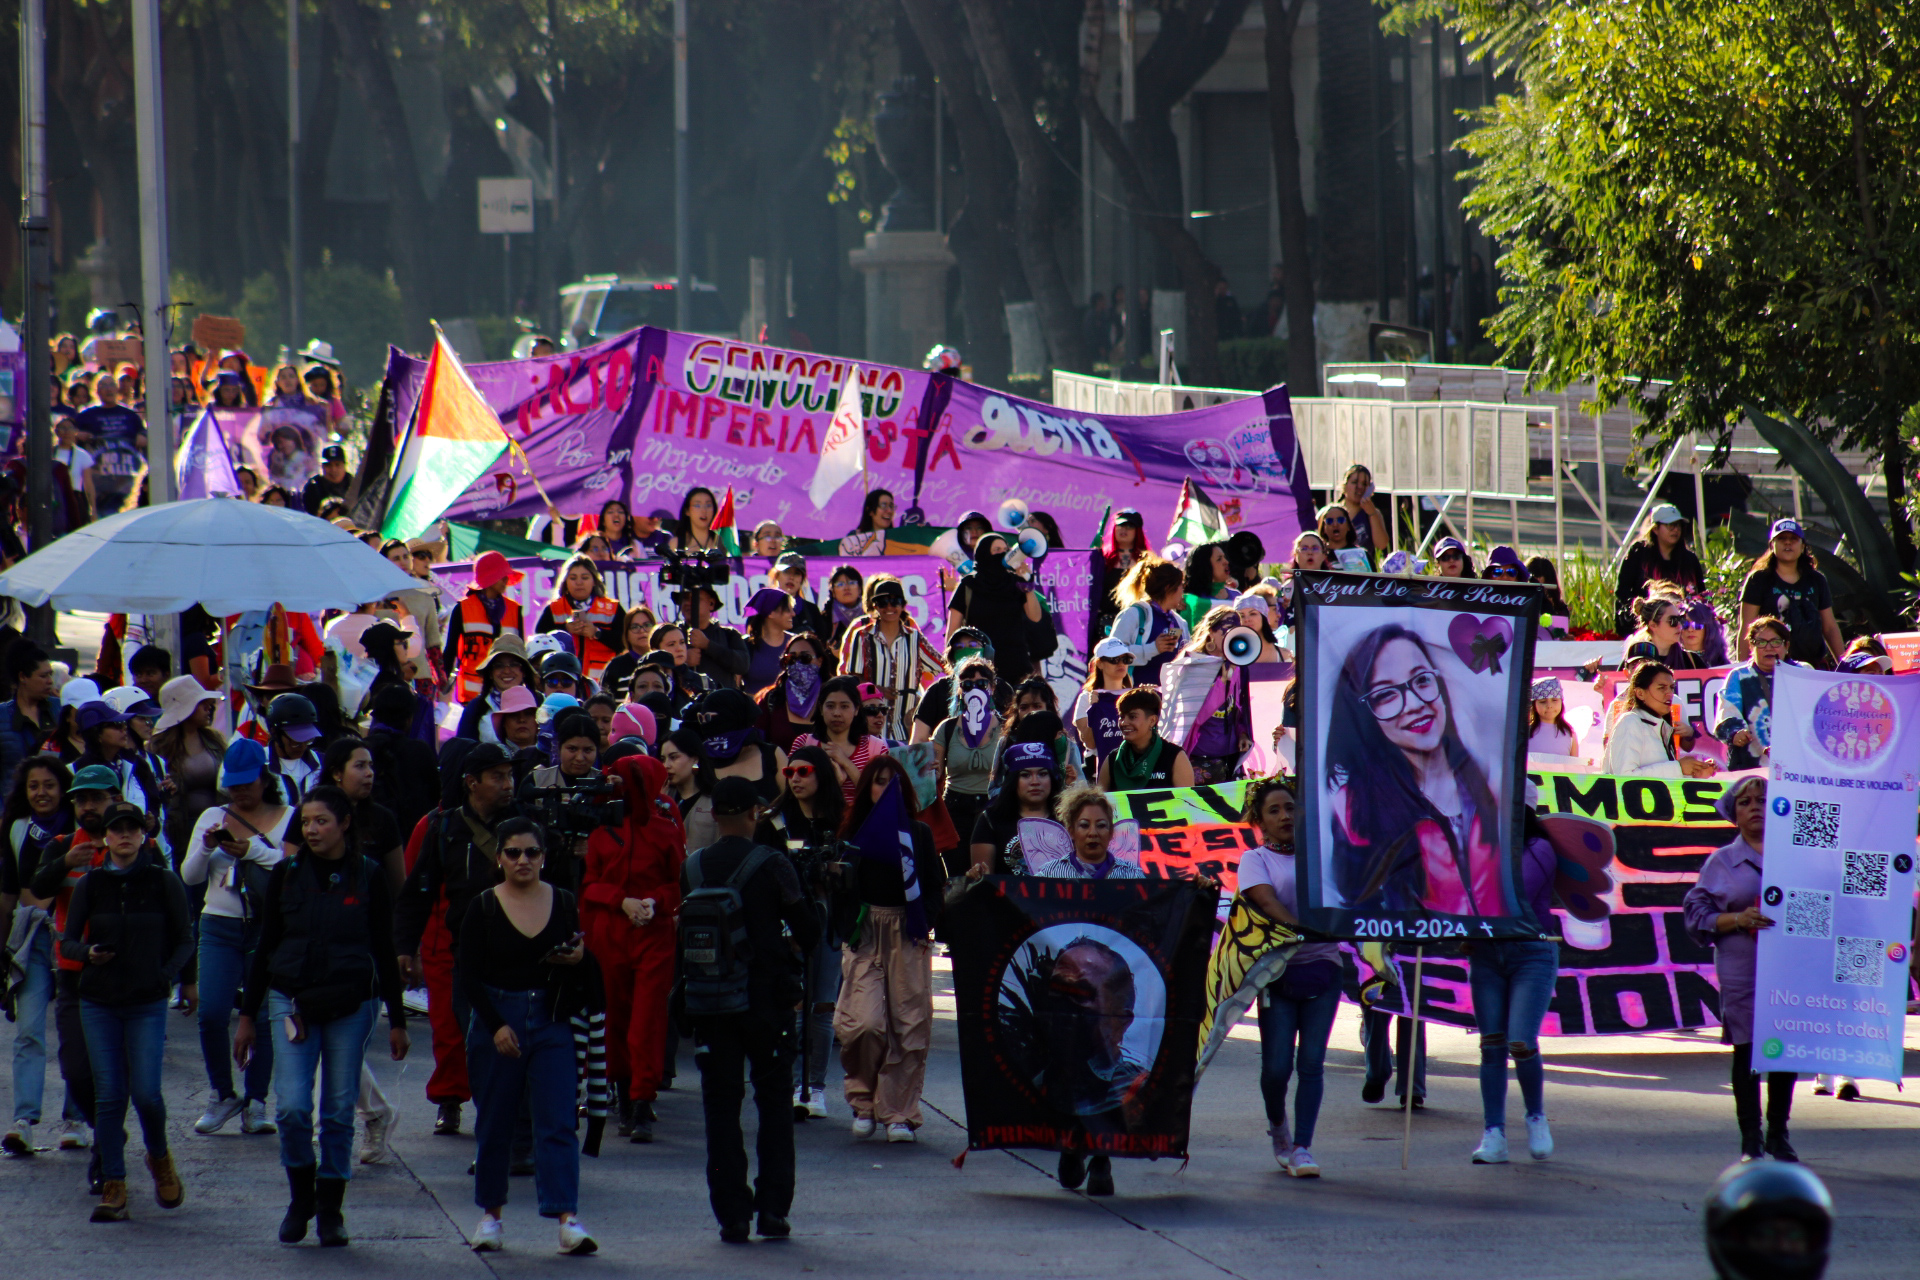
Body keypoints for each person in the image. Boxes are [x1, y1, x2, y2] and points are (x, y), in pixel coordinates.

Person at [237, 786, 409, 1246]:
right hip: (290, 999)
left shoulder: (368, 875)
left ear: (344, 824)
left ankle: (331, 1208)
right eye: (307, 822)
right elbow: (267, 943)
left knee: (337, 1110)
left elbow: (383, 948)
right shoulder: (287, 875)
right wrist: (247, 1016)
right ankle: (301, 1197)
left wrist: (397, 1018)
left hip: (352, 1005)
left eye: (321, 821)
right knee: (293, 1107)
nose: (312, 830)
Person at [681, 775, 818, 1243]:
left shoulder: (695, 866)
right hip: (767, 1001)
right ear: (753, 813)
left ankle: (732, 1214)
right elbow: (809, 929)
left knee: (720, 1108)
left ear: (715, 815)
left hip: (711, 1004)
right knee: (774, 1103)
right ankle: (774, 1209)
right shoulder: (773, 864)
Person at [461, 817, 601, 1256]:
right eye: (514, 852)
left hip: (550, 1018)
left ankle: (567, 1219)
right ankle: (491, 1216)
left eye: (532, 852)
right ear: (499, 857)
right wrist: (495, 1024)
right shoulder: (483, 905)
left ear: (545, 856)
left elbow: (584, 968)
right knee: (495, 1122)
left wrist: (578, 958)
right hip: (496, 1015)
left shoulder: (562, 901)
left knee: (558, 1121)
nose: (523, 860)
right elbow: (466, 975)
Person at [59, 798, 191, 1223]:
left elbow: (186, 938)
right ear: (106, 838)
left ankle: (159, 1157)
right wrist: (89, 953)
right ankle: (114, 1182)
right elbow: (68, 941)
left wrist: (167, 975)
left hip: (146, 1002)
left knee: (147, 1094)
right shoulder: (91, 884)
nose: (125, 836)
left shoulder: (162, 881)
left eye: (132, 829)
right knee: (111, 1095)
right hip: (98, 1001)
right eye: (117, 829)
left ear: (143, 835)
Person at [1327, 625, 1510, 914]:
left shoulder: (1494, 783)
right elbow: (1356, 906)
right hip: (1420, 956)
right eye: (1386, 695)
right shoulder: (1354, 808)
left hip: (1492, 952)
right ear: (1364, 712)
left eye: (1422, 680)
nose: (1413, 704)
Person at [178, 740, 290, 1138]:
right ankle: (222, 1093)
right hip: (219, 924)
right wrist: (208, 847)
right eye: (234, 785)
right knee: (211, 1013)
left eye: (248, 784)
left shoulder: (288, 815)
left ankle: (257, 1101)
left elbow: (290, 866)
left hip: (265, 927)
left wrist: (252, 849)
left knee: (261, 1016)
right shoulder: (213, 815)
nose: (241, 792)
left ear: (265, 779)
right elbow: (189, 876)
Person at [1683, 777, 1797, 1162]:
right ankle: (1751, 1139)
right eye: (1745, 801)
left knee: (1784, 1051)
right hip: (1741, 969)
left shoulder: (1798, 855)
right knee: (1747, 1048)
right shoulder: (1720, 862)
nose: (1754, 807)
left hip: (1790, 970)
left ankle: (1779, 1134)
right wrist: (1737, 919)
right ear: (1733, 814)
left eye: (1763, 800)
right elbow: (1696, 915)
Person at [833, 757, 940, 1144]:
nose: (884, 790)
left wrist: (923, 922)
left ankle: (898, 1111)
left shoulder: (920, 833)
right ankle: (863, 1102)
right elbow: (840, 893)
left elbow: (934, 886)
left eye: (891, 783)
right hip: (866, 934)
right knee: (863, 1023)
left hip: (908, 933)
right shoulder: (852, 835)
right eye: (877, 782)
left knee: (909, 1024)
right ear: (866, 789)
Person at [1237, 778, 1339, 1177]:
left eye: (1290, 807)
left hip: (1324, 969)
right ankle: (1279, 1127)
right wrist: (1303, 929)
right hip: (1276, 974)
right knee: (1277, 1069)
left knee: (1311, 1063)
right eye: (1274, 810)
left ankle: (1302, 1148)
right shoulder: (1255, 860)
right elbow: (1265, 901)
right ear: (1259, 820)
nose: (1284, 816)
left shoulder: (1322, 856)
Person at [582, 754, 684, 1146]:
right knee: (616, 1017)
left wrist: (654, 902)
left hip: (652, 931)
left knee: (646, 1019)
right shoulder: (601, 832)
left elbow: (677, 883)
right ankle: (626, 1095)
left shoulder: (664, 830)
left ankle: (641, 1100)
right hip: (611, 931)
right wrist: (621, 900)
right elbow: (589, 884)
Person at [753, 745, 844, 1119]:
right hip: (786, 925)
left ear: (821, 774)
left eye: (804, 771)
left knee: (822, 1006)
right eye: (790, 772)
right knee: (790, 1004)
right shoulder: (772, 821)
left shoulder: (840, 820)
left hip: (830, 923)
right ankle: (788, 1082)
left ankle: (816, 1087)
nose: (796, 779)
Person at [1466, 805, 1560, 1165]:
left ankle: (1535, 1117)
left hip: (1532, 953)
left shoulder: (1539, 847)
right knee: (1491, 1045)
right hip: (1486, 954)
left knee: (1520, 1040)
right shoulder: (1476, 846)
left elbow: (1509, 893)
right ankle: (1494, 1134)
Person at [1, 756, 74, 1156]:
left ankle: (75, 1119)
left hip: (73, 939)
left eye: (48, 785)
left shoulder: (79, 827)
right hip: (30, 940)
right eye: (33, 786)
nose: (41, 793)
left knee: (74, 1032)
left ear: (63, 788)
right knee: (28, 1030)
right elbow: (8, 890)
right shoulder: (15, 830)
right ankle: (24, 1121)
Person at [838, 574, 946, 741]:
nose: (889, 607)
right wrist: (876, 690)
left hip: (905, 730)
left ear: (903, 605)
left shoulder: (915, 638)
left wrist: (922, 703)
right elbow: (852, 678)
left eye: (895, 601)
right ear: (875, 606)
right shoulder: (861, 636)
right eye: (883, 602)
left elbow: (943, 666)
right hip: (868, 731)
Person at [1165, 608, 1254, 785]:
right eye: (1226, 629)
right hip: (1198, 756)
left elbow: (1238, 709)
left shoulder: (1238, 664)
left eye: (1237, 629)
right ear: (1211, 631)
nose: (1232, 635)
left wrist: (1243, 733)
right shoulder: (1193, 664)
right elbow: (1195, 716)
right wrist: (1221, 683)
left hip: (1230, 757)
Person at [1737, 518, 1843, 667]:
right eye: (1781, 539)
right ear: (1772, 545)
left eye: (1793, 539)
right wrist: (1743, 670)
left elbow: (1830, 627)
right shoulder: (1758, 579)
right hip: (1771, 667)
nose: (1787, 543)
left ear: (1803, 546)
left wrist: (1845, 667)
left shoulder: (1817, 580)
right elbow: (1747, 627)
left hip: (1813, 667)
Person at [947, 531, 1044, 681]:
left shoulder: (1015, 582)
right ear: (984, 554)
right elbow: (952, 633)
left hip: (1016, 665)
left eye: (1005, 550)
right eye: (997, 550)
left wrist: (1028, 584)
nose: (1002, 554)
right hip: (979, 668)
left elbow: (1035, 617)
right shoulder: (968, 585)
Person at [1602, 662, 1718, 778]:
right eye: (1661, 688)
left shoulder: (1663, 728)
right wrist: (1678, 768)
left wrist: (1694, 775)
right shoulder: (1629, 722)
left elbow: (1662, 784)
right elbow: (1624, 778)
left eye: (1672, 688)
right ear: (1640, 693)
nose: (1669, 694)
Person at [1713, 616, 1796, 773]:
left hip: (1796, 767)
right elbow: (1727, 713)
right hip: (1752, 767)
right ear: (1751, 646)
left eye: (1776, 642)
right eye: (1761, 642)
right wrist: (1736, 733)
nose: (1769, 647)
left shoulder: (1803, 673)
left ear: (1786, 645)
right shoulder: (1739, 676)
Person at [969, 738, 1063, 875]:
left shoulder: (1068, 817)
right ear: (1012, 780)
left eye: (1042, 774)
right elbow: (982, 881)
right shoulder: (991, 820)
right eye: (1025, 775)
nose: (1035, 782)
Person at [445, 552, 528, 703]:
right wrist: (442, 686)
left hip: (507, 695)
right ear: (490, 578)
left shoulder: (515, 610)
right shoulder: (462, 609)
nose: (506, 580)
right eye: (502, 576)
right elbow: (450, 651)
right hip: (472, 696)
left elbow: (522, 655)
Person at [792, 676, 888, 803]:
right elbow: (792, 791)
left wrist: (846, 763)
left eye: (844, 706)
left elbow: (883, 798)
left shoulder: (876, 747)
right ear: (821, 709)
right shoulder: (804, 743)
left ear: (857, 709)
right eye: (830, 706)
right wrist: (833, 783)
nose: (837, 713)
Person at [1614, 503, 1705, 635]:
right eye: (1670, 525)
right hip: (1644, 627)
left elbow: (1700, 594)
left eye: (1678, 525)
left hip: (1681, 629)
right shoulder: (1639, 553)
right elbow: (1622, 590)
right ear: (1655, 529)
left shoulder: (1689, 560)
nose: (1675, 530)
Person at [534, 555, 623, 685]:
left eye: (585, 578)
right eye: (573, 578)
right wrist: (564, 630)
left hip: (602, 683)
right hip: (562, 683)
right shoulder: (553, 609)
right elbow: (538, 643)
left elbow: (625, 642)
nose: (579, 582)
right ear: (565, 582)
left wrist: (597, 633)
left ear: (594, 580)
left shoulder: (612, 608)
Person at [72, 371, 146, 515]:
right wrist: (78, 435)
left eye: (112, 384)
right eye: (103, 385)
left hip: (128, 480)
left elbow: (144, 435)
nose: (108, 388)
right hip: (99, 483)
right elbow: (70, 434)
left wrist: (143, 437)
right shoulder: (85, 415)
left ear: (117, 389)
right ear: (96, 391)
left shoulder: (131, 415)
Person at [1108, 557, 1190, 687]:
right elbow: (1112, 654)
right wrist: (1153, 648)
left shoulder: (1180, 622)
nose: (1183, 592)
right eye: (1181, 585)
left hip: (1170, 701)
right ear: (1168, 588)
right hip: (1135, 700)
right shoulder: (1134, 614)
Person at [1097, 687, 1196, 792]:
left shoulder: (1175, 756)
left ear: (1152, 721)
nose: (1124, 723)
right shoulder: (1113, 759)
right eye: (1121, 717)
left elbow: (1188, 803)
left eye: (1132, 717)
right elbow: (1100, 803)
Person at [752, 631, 833, 753]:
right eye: (791, 659)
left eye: (805, 658)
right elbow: (757, 744)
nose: (797, 663)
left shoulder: (833, 695)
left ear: (819, 661)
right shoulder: (771, 698)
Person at [454, 635, 540, 742]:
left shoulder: (540, 702)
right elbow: (463, 750)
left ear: (524, 671)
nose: (507, 671)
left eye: (513, 665)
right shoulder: (476, 708)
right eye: (499, 666)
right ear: (490, 673)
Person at [0, 642, 58, 795]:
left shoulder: (59, 711)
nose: (50, 681)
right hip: (12, 808)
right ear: (23, 677)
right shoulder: (2, 716)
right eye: (43, 676)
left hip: (54, 806)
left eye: (50, 674)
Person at [1072, 637, 1134, 762]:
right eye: (1114, 659)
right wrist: (1093, 709)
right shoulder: (1086, 698)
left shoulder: (1135, 696)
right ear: (1099, 664)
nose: (1121, 663)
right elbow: (1090, 743)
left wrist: (1150, 701)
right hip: (1101, 769)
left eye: (1126, 659)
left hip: (1133, 767)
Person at [658, 727, 717, 852]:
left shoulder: (715, 800)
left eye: (673, 757)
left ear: (695, 759)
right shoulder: (661, 798)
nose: (666, 765)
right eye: (663, 759)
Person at [1095, 509, 1151, 637]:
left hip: (1135, 624)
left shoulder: (1146, 561)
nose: (1123, 529)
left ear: (1138, 531)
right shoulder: (1101, 557)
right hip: (1104, 625)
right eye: (1120, 525)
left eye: (1129, 526)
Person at [1621, 596, 1710, 671]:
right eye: (1673, 621)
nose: (1679, 626)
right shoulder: (1635, 660)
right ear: (1653, 625)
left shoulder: (1692, 661)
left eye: (1680, 620)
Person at [599, 606, 664, 700]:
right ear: (626, 634)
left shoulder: (664, 662)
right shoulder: (616, 666)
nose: (642, 631)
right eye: (635, 627)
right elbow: (604, 704)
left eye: (647, 625)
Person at [742, 588, 797, 696]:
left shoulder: (796, 644)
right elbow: (735, 685)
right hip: (754, 711)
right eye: (787, 610)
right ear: (770, 613)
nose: (793, 614)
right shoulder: (746, 645)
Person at [1334, 463, 1389, 555]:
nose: (1359, 487)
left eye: (1364, 484)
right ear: (1345, 485)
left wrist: (1372, 514)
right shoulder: (1333, 511)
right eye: (1354, 482)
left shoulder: (1373, 513)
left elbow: (1382, 544)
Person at [1181, 540, 1238, 625]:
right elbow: (1175, 631)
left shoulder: (1237, 596)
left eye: (1224, 557)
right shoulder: (1187, 602)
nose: (1226, 562)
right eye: (1219, 559)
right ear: (1205, 566)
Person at [1527, 677, 1579, 757]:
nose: (1549, 706)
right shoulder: (1525, 733)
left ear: (1561, 701)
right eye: (1543, 702)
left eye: (1554, 700)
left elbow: (1574, 767)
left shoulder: (1569, 734)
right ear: (1534, 705)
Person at [838, 489, 896, 557]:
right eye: (883, 506)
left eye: (891, 506)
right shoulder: (854, 537)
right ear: (870, 511)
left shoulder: (897, 538)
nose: (889, 511)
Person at [301, 445, 353, 516]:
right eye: (328, 465)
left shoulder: (355, 485)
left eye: (337, 465)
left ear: (344, 465)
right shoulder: (313, 487)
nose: (333, 469)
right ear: (322, 467)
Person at [823, 564, 865, 648]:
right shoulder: (824, 618)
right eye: (840, 584)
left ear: (860, 589)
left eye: (851, 583)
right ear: (833, 591)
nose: (846, 588)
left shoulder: (869, 615)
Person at [677, 486, 724, 552]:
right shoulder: (676, 544)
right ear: (687, 511)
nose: (704, 511)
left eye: (708, 505)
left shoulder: (723, 543)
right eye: (697, 505)